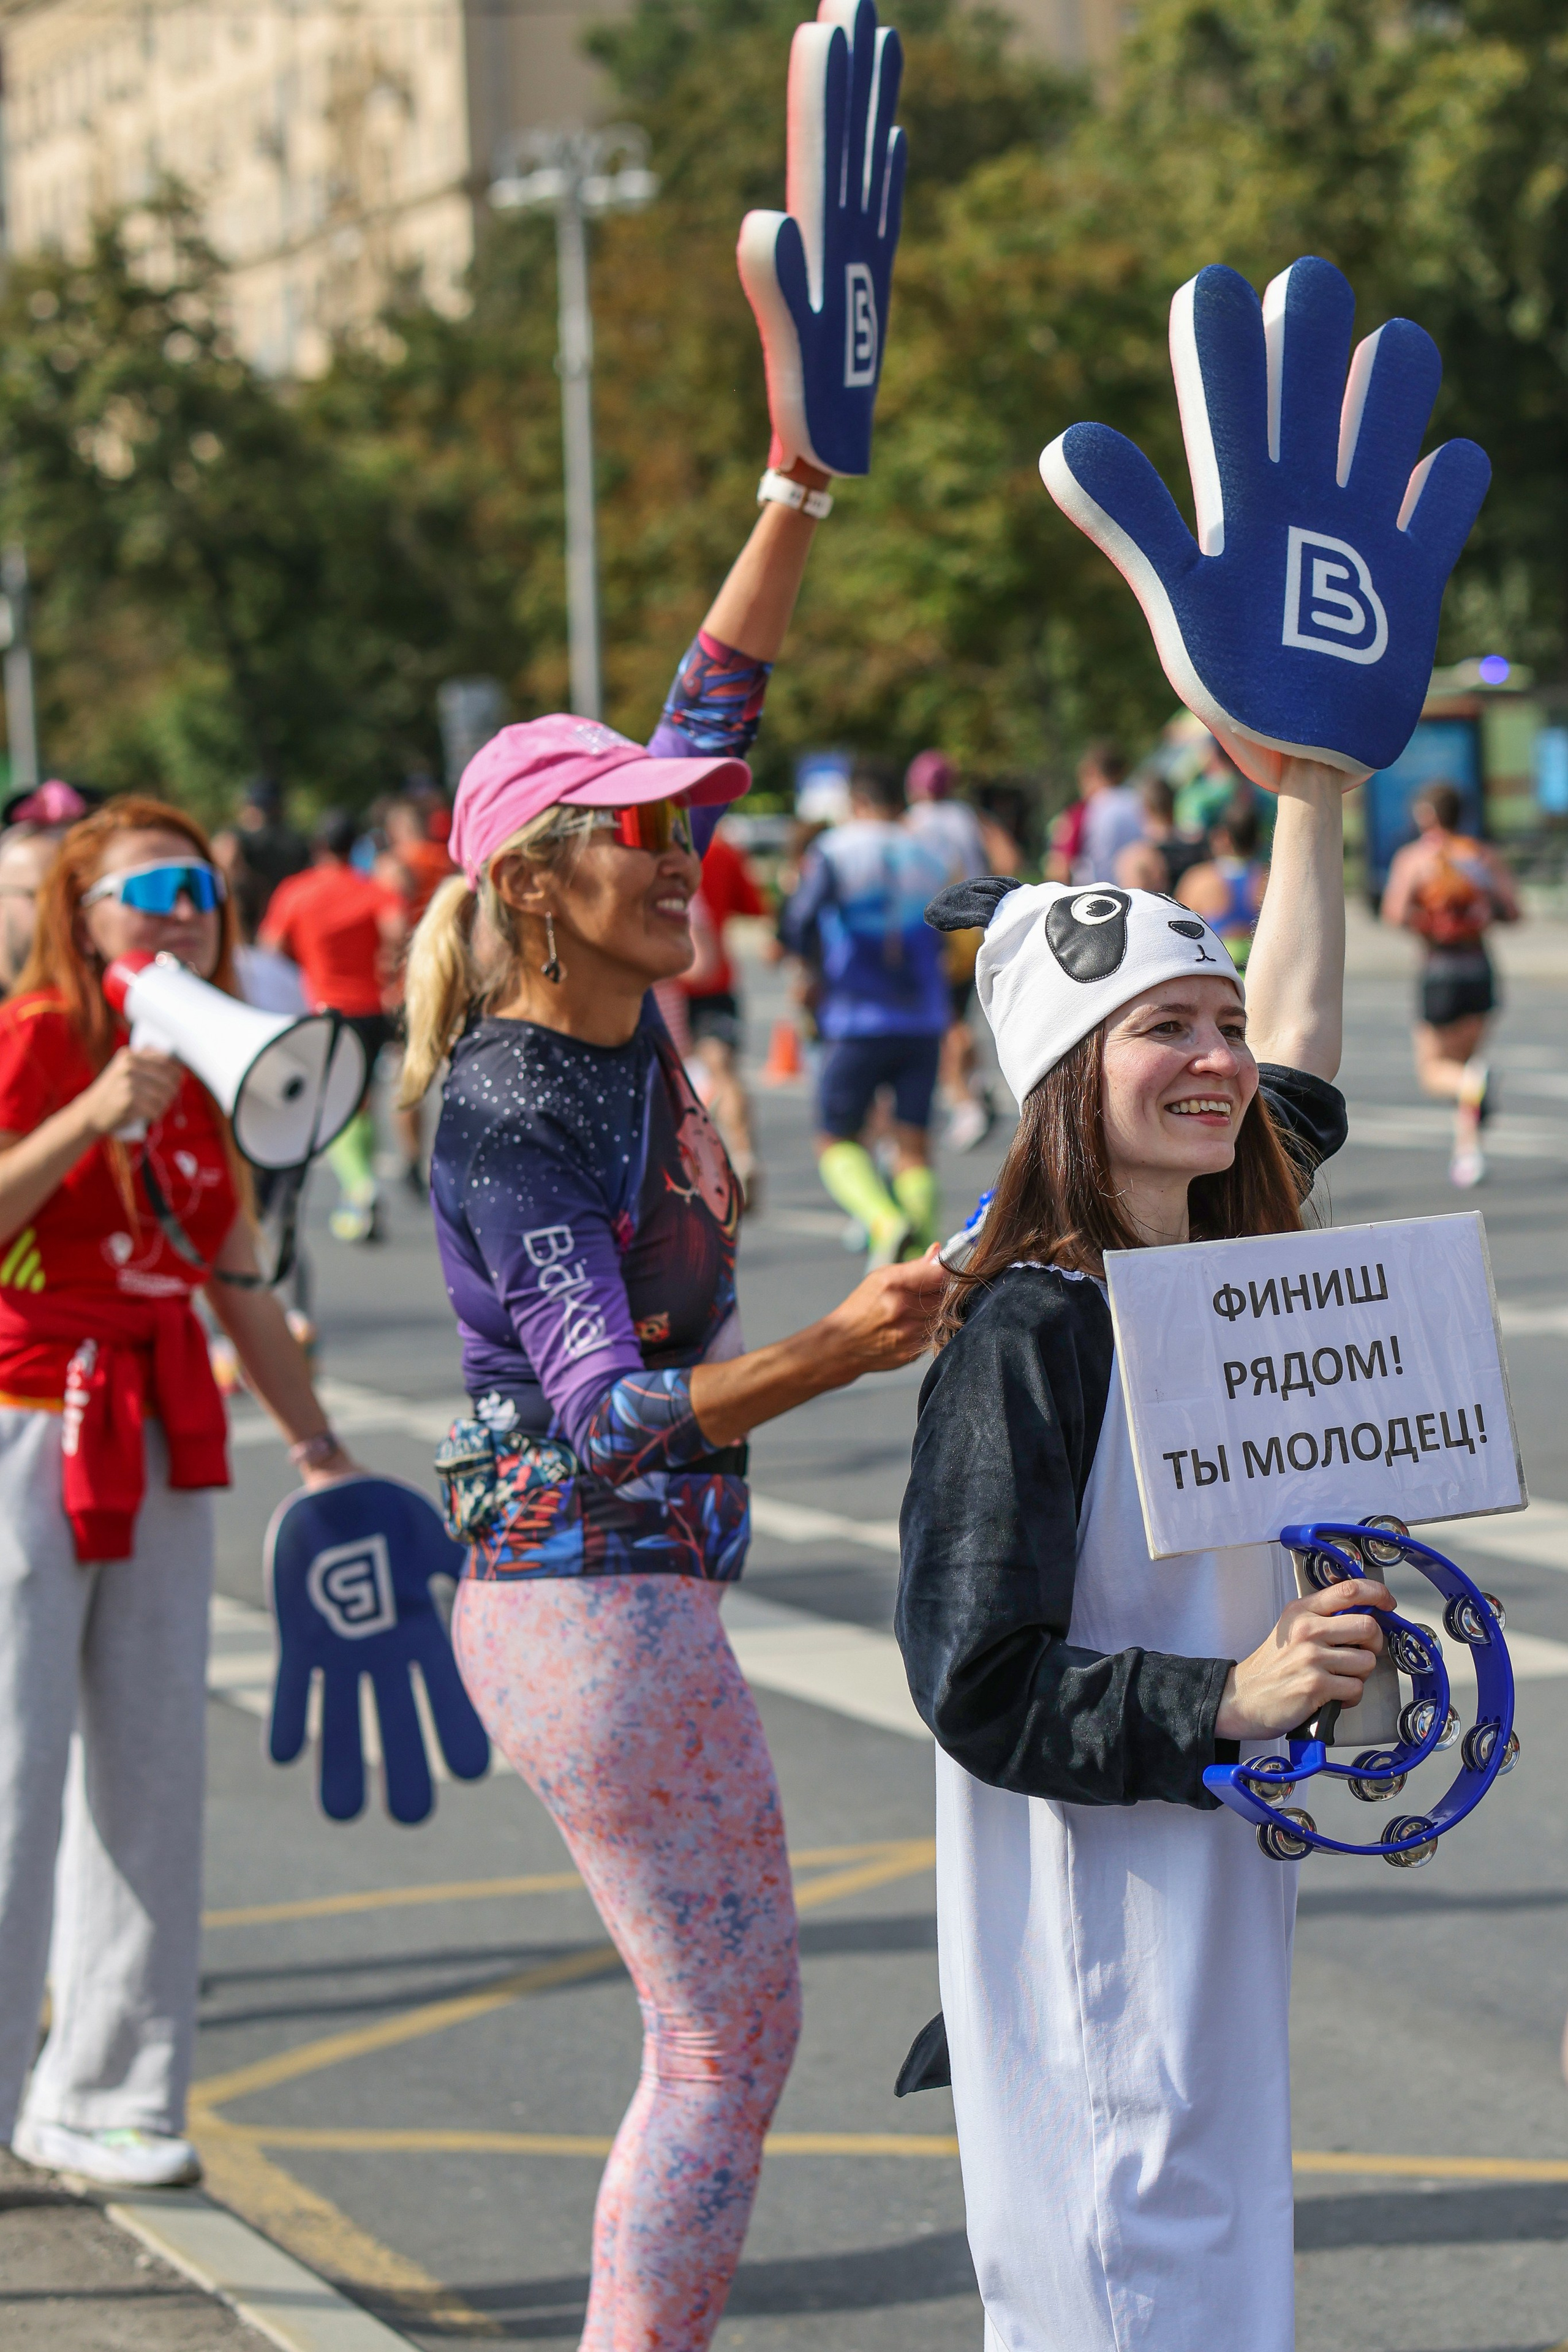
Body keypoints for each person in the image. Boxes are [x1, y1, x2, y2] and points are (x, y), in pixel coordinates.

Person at [399, 478, 940, 2342]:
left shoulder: (623, 1015)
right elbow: (617, 1412)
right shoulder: (513, 1103)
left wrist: (794, 484)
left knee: (725, 2030)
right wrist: (845, 1348)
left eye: (674, 829)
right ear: (531, 887)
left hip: (619, 1596)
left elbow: (719, 700)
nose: (675, 852)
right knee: (720, 2038)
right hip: (586, 1601)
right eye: (625, 836)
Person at [895, 760, 1365, 2352]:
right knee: (1128, 2283)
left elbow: (1303, 1049)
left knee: (1222, 2276)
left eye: (1222, 1024)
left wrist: (1315, 789)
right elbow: (978, 1679)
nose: (1222, 1061)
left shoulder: (1215, 1275)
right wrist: (1232, 1697)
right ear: (1064, 1075)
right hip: (1091, 1916)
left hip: (1219, 1888)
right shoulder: (1028, 1331)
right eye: (1168, 1029)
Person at [0, 797, 357, 2190]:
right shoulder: (32, 1037)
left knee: (152, 1777)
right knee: (14, 1779)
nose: (184, 908)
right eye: (149, 887)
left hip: (159, 1427)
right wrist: (91, 1110)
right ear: (79, 914)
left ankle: (108, 2091)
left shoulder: (214, 1067)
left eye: (200, 887)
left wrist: (318, 1442)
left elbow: (237, 1277)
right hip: (31, 1421)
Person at [778, 758, 951, 1262]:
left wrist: (808, 971)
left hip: (855, 1014)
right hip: (923, 1014)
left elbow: (799, 919)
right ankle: (924, 1247)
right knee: (913, 1142)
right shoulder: (928, 852)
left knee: (835, 1137)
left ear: (855, 802)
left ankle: (884, 1220)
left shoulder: (834, 849)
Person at [259, 810, 405, 1241]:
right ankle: (358, 1194)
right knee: (361, 1102)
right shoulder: (375, 891)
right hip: (373, 1010)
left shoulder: (296, 893)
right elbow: (398, 933)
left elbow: (270, 951)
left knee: (334, 1106)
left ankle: (360, 1189)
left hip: (322, 1010)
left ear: (318, 848)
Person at [1381, 780, 1519, 1188]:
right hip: (1480, 965)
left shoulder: (1417, 858)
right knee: (1470, 1067)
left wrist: (1427, 927)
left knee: (1437, 1071)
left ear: (1427, 816)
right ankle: (1468, 1154)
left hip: (1439, 967)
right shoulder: (1482, 856)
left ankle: (1470, 1097)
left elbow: (1395, 912)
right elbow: (1512, 911)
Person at [903, 750, 995, 1152]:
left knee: (945, 1021)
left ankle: (966, 1102)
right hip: (976, 923)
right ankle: (975, 1083)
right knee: (961, 1014)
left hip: (939, 927)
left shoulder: (916, 823)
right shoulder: (965, 816)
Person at [677, 819, 769, 1202]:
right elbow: (752, 906)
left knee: (670, 1079)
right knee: (724, 1069)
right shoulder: (721, 847)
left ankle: (693, 1170)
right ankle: (744, 1154)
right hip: (713, 982)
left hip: (656, 982)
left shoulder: (641, 843)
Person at [1177, 796, 1269, 969]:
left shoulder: (1199, 881)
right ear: (1257, 839)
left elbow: (1179, 937)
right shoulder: (1270, 879)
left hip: (1221, 972)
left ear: (1223, 837)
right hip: (1263, 971)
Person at [1047, 740, 1144, 886]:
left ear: (1091, 772)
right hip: (1143, 896)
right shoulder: (1141, 802)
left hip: (1097, 899)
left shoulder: (1083, 812)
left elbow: (1059, 869)